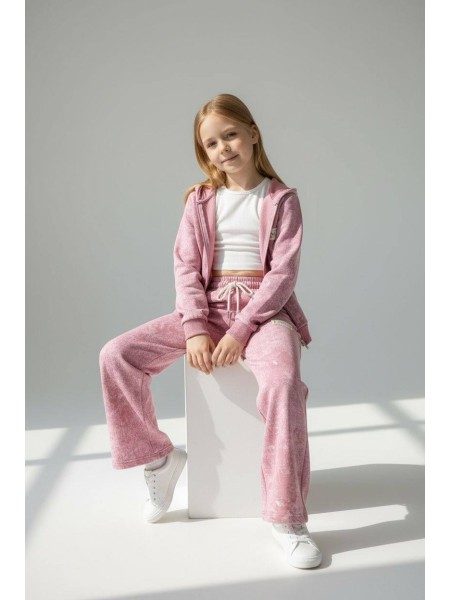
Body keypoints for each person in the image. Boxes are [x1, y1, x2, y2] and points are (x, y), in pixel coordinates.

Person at [98, 93, 322, 569]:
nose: (223, 148)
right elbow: (185, 268)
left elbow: (282, 275)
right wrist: (197, 327)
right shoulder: (199, 201)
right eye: (212, 143)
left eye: (231, 135)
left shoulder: (282, 200)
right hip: (206, 305)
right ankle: (158, 459)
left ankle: (288, 518)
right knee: (117, 354)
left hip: (265, 312)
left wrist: (241, 329)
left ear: (253, 133)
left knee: (284, 385)